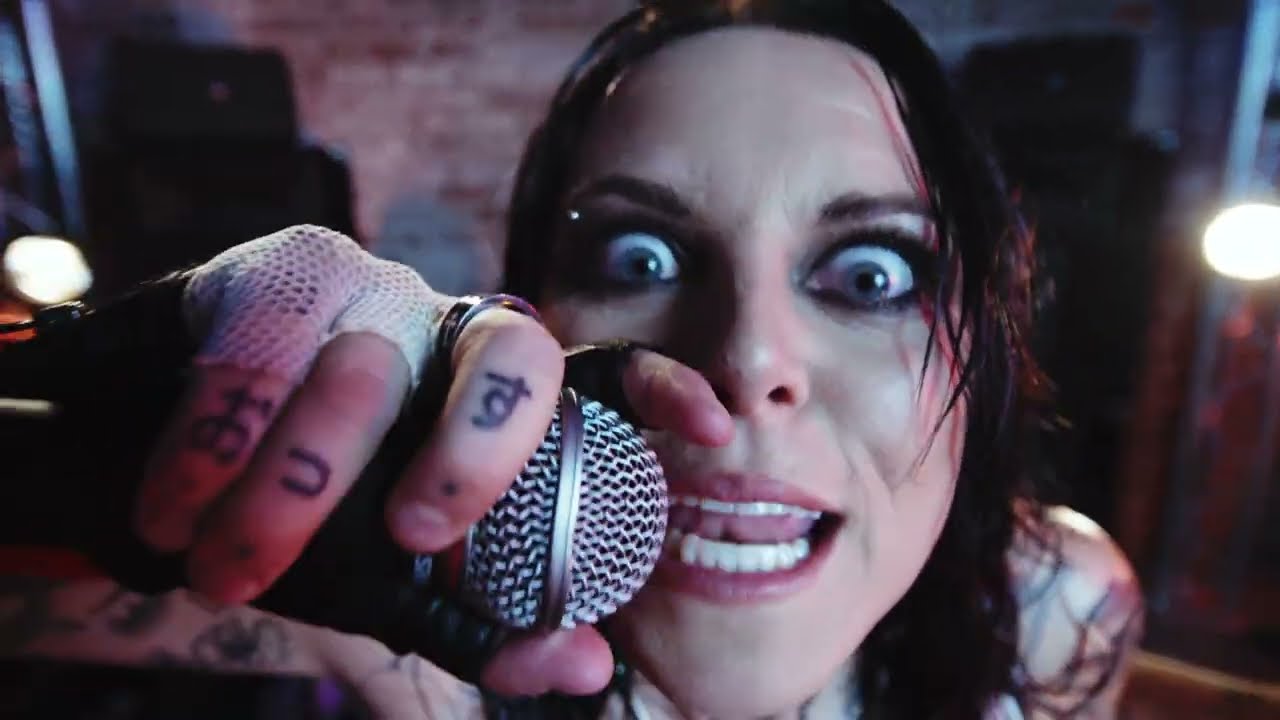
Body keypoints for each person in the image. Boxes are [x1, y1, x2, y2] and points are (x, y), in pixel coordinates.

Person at [0, 1, 1145, 718]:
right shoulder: (406, 648)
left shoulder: (1057, 609)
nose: (747, 358)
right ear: (531, 315)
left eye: (872, 275)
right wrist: (80, 415)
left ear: (982, 338)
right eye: (640, 258)